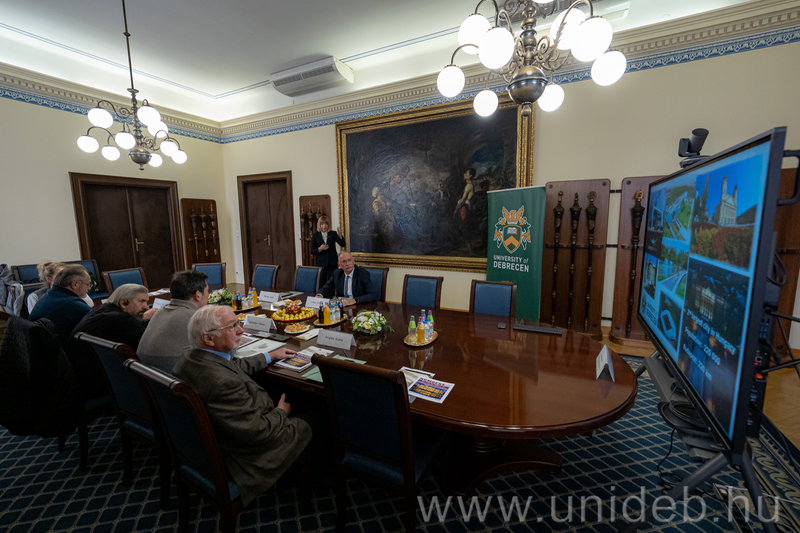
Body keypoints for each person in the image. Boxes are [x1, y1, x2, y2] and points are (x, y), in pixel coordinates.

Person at [173, 305, 311, 507]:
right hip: (246, 456)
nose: (241, 330)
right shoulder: (223, 384)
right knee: (314, 413)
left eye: (238, 323)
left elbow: (231, 366)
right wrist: (281, 412)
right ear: (208, 338)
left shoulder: (190, 357)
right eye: (232, 326)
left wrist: (270, 356)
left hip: (223, 433)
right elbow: (258, 432)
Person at [70, 283, 158, 398]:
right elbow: (147, 343)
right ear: (123, 302)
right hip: (102, 383)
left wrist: (143, 319)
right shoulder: (120, 319)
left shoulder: (102, 310)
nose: (146, 307)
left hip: (85, 376)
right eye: (142, 301)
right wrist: (156, 320)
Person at [137, 270, 209, 373]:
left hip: (145, 376)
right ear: (198, 295)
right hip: (171, 379)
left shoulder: (159, 312)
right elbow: (223, 350)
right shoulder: (196, 318)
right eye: (207, 291)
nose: (208, 295)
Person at [28, 264, 93, 347]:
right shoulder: (71, 304)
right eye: (88, 284)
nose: (89, 288)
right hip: (62, 351)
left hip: (41, 350)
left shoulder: (47, 296)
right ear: (75, 284)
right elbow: (98, 324)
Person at [27, 260, 93, 313]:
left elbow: (90, 304)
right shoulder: (34, 296)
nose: (65, 278)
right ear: (49, 279)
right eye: (60, 275)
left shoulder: (72, 290)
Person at [310, 215, 345, 285]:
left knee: (332, 282)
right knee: (321, 282)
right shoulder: (315, 235)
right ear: (319, 225)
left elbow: (343, 244)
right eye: (322, 224)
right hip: (321, 263)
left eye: (326, 224)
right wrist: (319, 249)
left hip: (332, 263)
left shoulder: (333, 233)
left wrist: (340, 236)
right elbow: (312, 251)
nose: (324, 226)